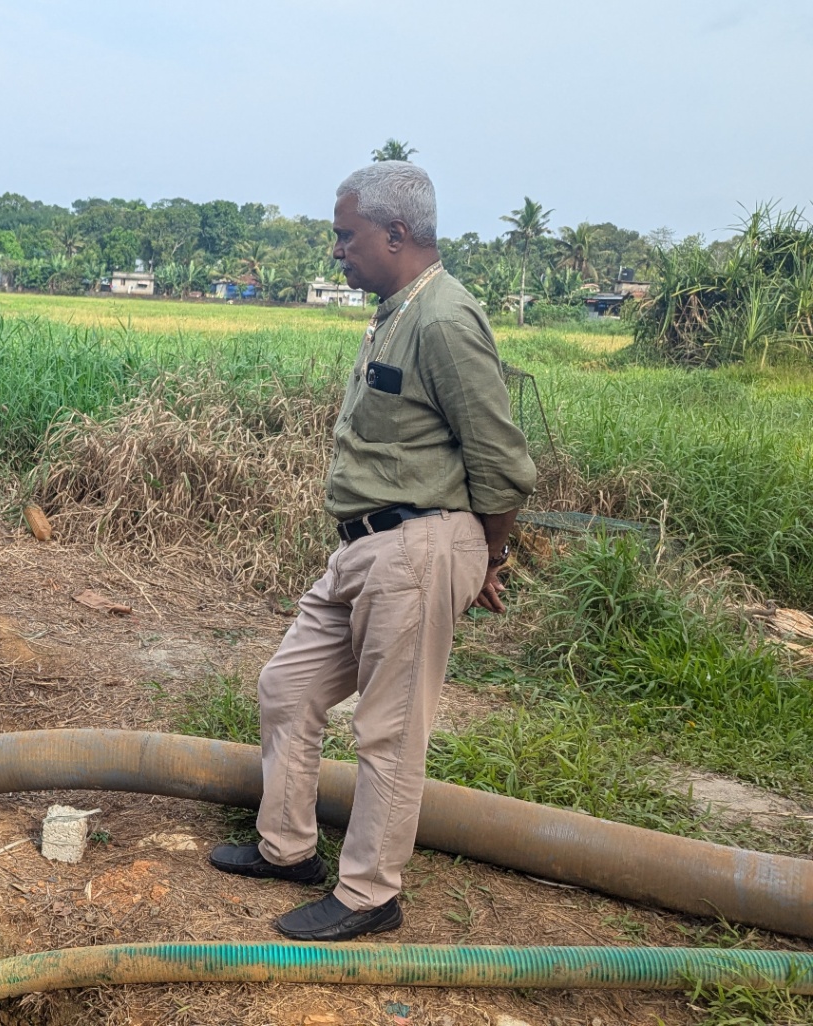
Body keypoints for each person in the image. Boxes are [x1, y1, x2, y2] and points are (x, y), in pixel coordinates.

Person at [207, 162, 536, 941]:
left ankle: (368, 896)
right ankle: (287, 849)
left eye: (346, 236)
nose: (336, 252)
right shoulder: (396, 311)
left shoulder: (446, 321)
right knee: (287, 686)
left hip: (416, 546)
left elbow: (503, 464)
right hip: (364, 549)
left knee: (388, 732)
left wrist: (483, 558)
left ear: (396, 234)